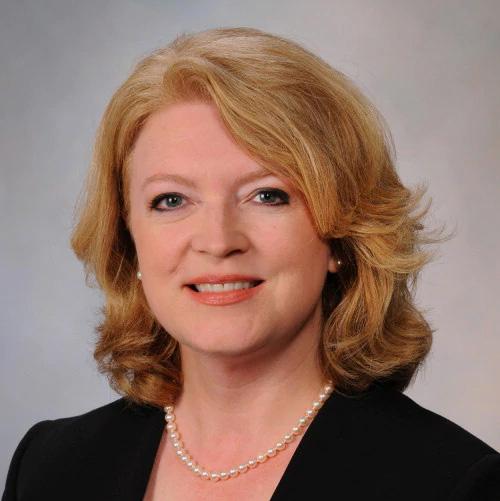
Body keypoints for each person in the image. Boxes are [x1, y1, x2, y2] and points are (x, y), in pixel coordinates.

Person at [3, 27, 499, 501]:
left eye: (267, 195)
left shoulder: (454, 486)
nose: (218, 241)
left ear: (342, 233)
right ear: (128, 238)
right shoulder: (50, 469)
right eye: (171, 200)